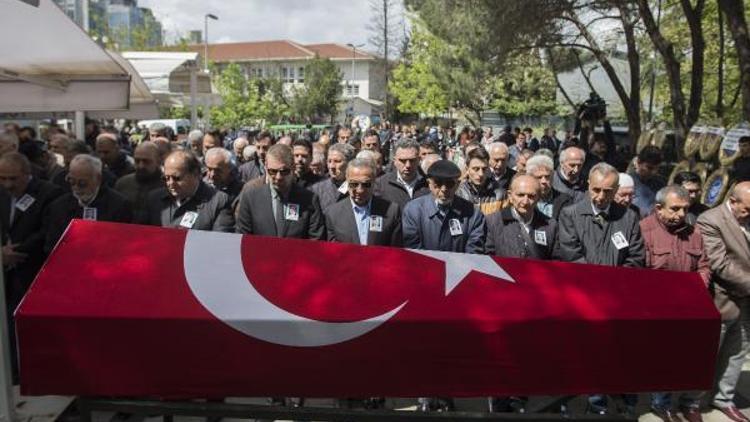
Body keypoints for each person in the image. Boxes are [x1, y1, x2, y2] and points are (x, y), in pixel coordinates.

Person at [558, 162, 644, 416]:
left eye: (608, 191)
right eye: (596, 190)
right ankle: (578, 401)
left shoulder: (627, 217)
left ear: (616, 189)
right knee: (579, 353)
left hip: (616, 300)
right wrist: (596, 287)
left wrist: (615, 288)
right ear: (588, 186)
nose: (601, 196)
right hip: (581, 299)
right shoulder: (571, 214)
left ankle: (604, 402)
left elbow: (635, 258)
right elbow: (571, 254)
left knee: (611, 352)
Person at [640, 185, 709, 422]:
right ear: (659, 208)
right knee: (662, 357)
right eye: (675, 209)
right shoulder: (644, 231)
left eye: (685, 209)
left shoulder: (693, 232)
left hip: (689, 306)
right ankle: (662, 403)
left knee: (687, 356)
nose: (681, 214)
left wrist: (697, 287)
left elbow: (704, 265)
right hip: (657, 307)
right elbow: (638, 270)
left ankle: (689, 403)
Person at [696, 182, 750, 422]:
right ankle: (692, 401)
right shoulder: (711, 220)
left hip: (746, 303)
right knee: (708, 354)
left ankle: (723, 398)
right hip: (722, 299)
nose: (748, 214)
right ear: (733, 200)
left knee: (737, 351)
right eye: (746, 209)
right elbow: (719, 264)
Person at [44, 154, 132, 254]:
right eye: (72, 182)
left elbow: (121, 246)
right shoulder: (59, 206)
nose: (76, 188)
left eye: (82, 183)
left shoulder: (119, 205)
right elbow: (51, 245)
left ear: (98, 179)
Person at [236, 144, 325, 239]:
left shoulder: (309, 200)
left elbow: (316, 239)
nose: (278, 177)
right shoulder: (251, 198)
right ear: (266, 166)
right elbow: (243, 237)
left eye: (284, 171)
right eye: (273, 171)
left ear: (293, 167)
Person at [403, 159, 486, 254]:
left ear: (458, 184)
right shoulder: (413, 210)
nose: (443, 189)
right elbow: (412, 250)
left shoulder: (473, 214)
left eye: (449, 184)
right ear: (429, 183)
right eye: (438, 183)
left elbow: (474, 252)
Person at [144, 150, 234, 232]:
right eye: (166, 178)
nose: (170, 183)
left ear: (195, 174)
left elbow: (221, 240)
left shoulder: (218, 201)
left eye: (177, 178)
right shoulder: (154, 199)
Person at [325, 158, 402, 246]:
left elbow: (396, 251)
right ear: (346, 181)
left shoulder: (391, 211)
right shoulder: (333, 214)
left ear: (374, 182)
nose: (360, 190)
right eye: (354, 184)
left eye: (366, 184)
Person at [486, 174, 558, 259]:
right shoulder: (493, 221)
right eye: (520, 195)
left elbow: (556, 261)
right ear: (510, 196)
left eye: (531, 196)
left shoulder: (550, 225)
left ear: (538, 197)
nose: (525, 201)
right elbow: (487, 258)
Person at [114, 141, 164, 224]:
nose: (141, 166)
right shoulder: (122, 183)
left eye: (146, 161)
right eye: (137, 161)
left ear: (158, 161)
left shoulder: (168, 186)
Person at [373, 139, 430, 207]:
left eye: (412, 160)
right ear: (394, 161)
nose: (408, 165)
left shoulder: (429, 183)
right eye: (403, 161)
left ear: (419, 160)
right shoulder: (381, 185)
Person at [456, 147, 506, 215]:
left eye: (484, 169)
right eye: (476, 169)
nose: (481, 174)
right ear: (467, 169)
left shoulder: (499, 193)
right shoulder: (459, 193)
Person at [310, 143, 356, 211]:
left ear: (349, 163)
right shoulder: (317, 190)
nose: (332, 166)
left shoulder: (359, 188)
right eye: (329, 161)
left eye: (337, 161)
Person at [525, 155, 572, 220]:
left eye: (547, 177)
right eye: (539, 177)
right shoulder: (523, 200)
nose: (544, 181)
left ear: (552, 176)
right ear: (529, 178)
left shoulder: (565, 200)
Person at [629, 146, 666, 219]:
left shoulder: (660, 184)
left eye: (657, 168)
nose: (654, 172)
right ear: (639, 162)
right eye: (649, 168)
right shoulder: (628, 183)